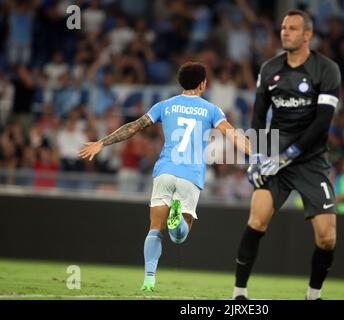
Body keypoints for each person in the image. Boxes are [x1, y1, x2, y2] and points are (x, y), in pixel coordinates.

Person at [79, 62, 251, 291]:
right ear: (203, 84)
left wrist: (102, 142)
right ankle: (177, 217)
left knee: (155, 228)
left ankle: (149, 279)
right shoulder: (211, 110)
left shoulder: (165, 105)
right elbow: (234, 137)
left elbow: (134, 126)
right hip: (190, 175)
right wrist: (258, 154)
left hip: (165, 171)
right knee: (178, 236)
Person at [233, 10, 341, 300]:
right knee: (257, 220)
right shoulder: (269, 69)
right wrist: (256, 156)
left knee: (327, 236)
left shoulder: (327, 69)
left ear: (308, 35)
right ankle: (239, 294)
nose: (285, 32)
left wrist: (289, 154)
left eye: (292, 28)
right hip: (273, 156)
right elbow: (257, 117)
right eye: (282, 27)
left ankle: (312, 296)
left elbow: (322, 123)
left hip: (310, 159)